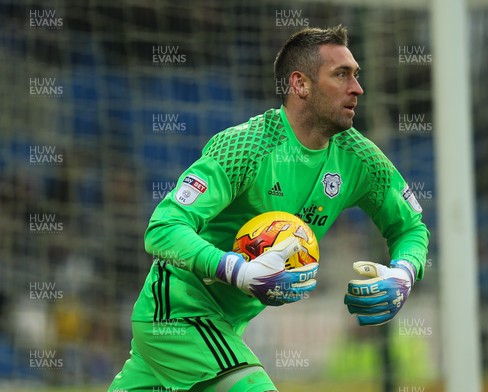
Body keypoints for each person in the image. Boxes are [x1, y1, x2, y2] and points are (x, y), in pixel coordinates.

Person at [108, 24, 429, 392]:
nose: (357, 88)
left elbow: (411, 228)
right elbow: (163, 228)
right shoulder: (245, 147)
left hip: (225, 325)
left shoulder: (360, 160)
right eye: (341, 75)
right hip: (177, 313)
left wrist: (403, 273)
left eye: (356, 75)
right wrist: (237, 270)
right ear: (300, 84)